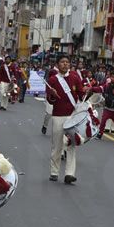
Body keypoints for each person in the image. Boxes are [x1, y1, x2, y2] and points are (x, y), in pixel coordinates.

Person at [46, 55, 84, 184]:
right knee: (57, 145)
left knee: (72, 145)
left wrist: (87, 94)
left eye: (67, 62)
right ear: (58, 64)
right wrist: (52, 95)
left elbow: (81, 94)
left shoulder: (75, 77)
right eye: (62, 62)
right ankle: (54, 172)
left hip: (72, 116)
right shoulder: (52, 80)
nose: (65, 64)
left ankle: (69, 174)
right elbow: (50, 101)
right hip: (58, 115)